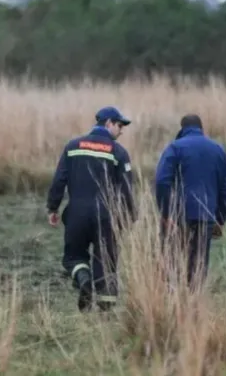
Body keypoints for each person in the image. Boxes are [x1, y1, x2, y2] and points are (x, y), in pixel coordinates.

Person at [46, 106, 136, 312]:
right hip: (107, 216)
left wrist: (53, 207)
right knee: (106, 260)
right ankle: (105, 309)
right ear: (108, 124)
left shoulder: (73, 146)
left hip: (76, 214)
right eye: (119, 125)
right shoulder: (118, 152)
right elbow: (127, 188)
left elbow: (59, 179)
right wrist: (129, 216)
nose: (121, 130)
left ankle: (83, 278)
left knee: (73, 257)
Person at [154, 114, 226, 289]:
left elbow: (162, 181)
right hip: (206, 216)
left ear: (182, 129)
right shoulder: (218, 150)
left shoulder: (175, 147)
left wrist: (166, 213)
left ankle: (172, 300)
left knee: (172, 259)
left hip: (178, 215)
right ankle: (193, 303)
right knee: (198, 262)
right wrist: (219, 218)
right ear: (201, 129)